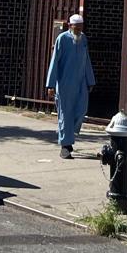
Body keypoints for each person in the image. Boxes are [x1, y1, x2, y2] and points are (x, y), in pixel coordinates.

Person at [44, 12, 96, 159]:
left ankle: (68, 134)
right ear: (70, 26)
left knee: (81, 110)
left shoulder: (83, 39)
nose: (79, 30)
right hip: (65, 83)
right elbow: (54, 62)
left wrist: (90, 80)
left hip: (81, 83)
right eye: (76, 27)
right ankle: (65, 146)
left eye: (81, 27)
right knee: (65, 115)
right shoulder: (62, 39)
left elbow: (86, 60)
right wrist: (51, 84)